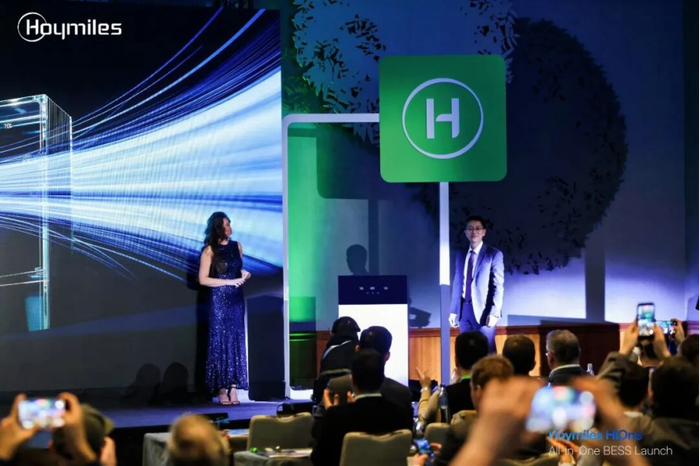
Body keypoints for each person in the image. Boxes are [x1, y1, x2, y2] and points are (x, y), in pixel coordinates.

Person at [312, 326, 413, 439]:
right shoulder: (402, 394)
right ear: (387, 356)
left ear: (357, 349)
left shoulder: (336, 386)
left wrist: (331, 416)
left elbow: (316, 433)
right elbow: (409, 438)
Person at [311, 350, 408, 466]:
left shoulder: (337, 416)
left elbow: (319, 459)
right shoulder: (400, 414)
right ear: (382, 379)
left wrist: (330, 414)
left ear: (352, 381)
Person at [198, 211, 251, 405]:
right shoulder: (209, 250)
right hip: (219, 300)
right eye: (225, 225)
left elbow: (236, 269)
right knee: (220, 341)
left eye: (229, 224)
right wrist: (229, 282)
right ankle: (221, 389)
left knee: (236, 340)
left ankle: (233, 388)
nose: (229, 228)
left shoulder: (237, 246)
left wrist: (244, 274)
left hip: (236, 299)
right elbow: (203, 279)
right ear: (218, 228)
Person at [449, 216, 504, 353]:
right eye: (470, 228)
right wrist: (453, 310)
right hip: (464, 310)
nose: (474, 231)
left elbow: (498, 286)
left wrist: (494, 312)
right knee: (466, 352)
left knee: (488, 352)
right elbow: (457, 282)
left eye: (478, 228)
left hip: (484, 311)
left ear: (484, 232)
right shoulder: (460, 254)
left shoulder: (494, 254)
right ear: (465, 232)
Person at [416, 331, 488, 424]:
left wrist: (425, 388)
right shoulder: (498, 392)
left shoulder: (443, 395)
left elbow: (424, 419)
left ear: (456, 361)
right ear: (486, 361)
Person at [313, 316, 361, 404]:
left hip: (328, 401)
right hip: (354, 400)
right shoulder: (359, 348)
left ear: (333, 333)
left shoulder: (329, 350)